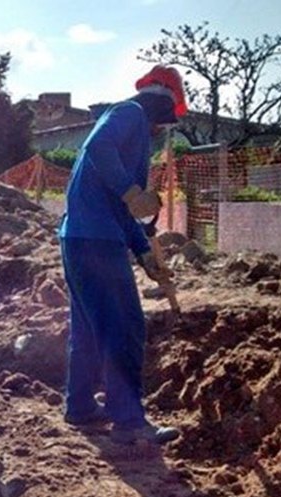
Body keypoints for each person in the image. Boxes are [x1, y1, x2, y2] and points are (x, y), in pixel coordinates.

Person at [58, 65, 187, 445]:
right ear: (162, 103)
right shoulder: (128, 113)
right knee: (126, 325)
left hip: (81, 238)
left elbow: (125, 211)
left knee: (86, 329)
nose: (162, 130)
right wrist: (133, 192)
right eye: (165, 121)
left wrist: (145, 253)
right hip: (95, 239)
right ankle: (129, 422)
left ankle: (79, 407)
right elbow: (99, 149)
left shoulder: (130, 141)